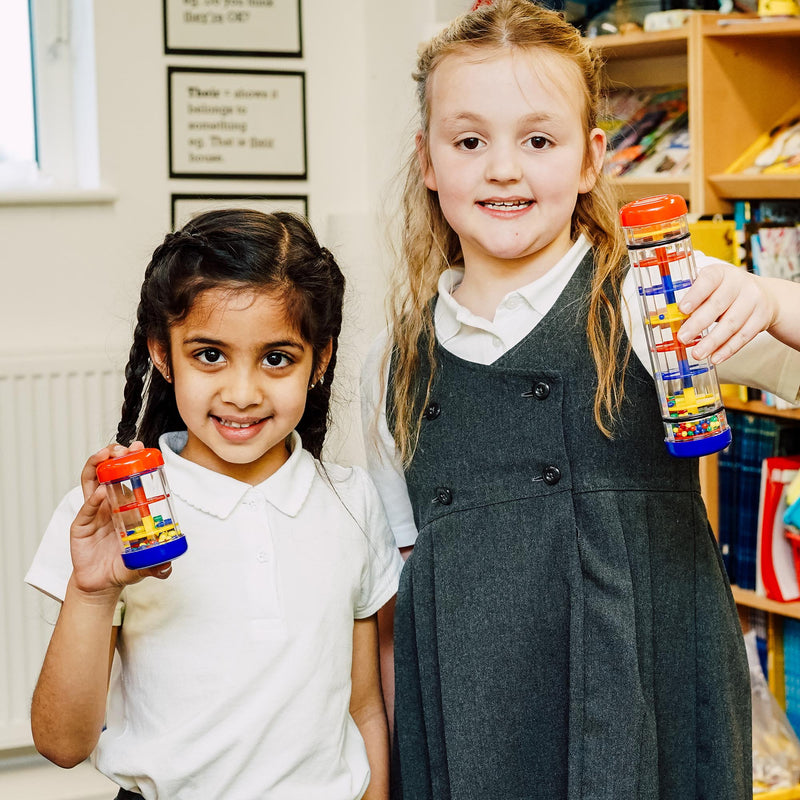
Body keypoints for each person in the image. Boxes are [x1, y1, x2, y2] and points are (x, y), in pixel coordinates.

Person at [360, 2, 800, 798]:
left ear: (592, 156)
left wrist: (769, 298)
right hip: (473, 727)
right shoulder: (392, 364)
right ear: (427, 159)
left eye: (538, 139)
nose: (504, 169)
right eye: (469, 141)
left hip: (649, 708)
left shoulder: (653, 300)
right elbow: (400, 593)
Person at [26, 209, 404, 800]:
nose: (242, 393)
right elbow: (62, 743)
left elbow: (364, 710)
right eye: (209, 355)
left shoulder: (351, 502)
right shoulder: (114, 512)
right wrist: (92, 592)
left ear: (320, 359)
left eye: (277, 358)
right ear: (161, 352)